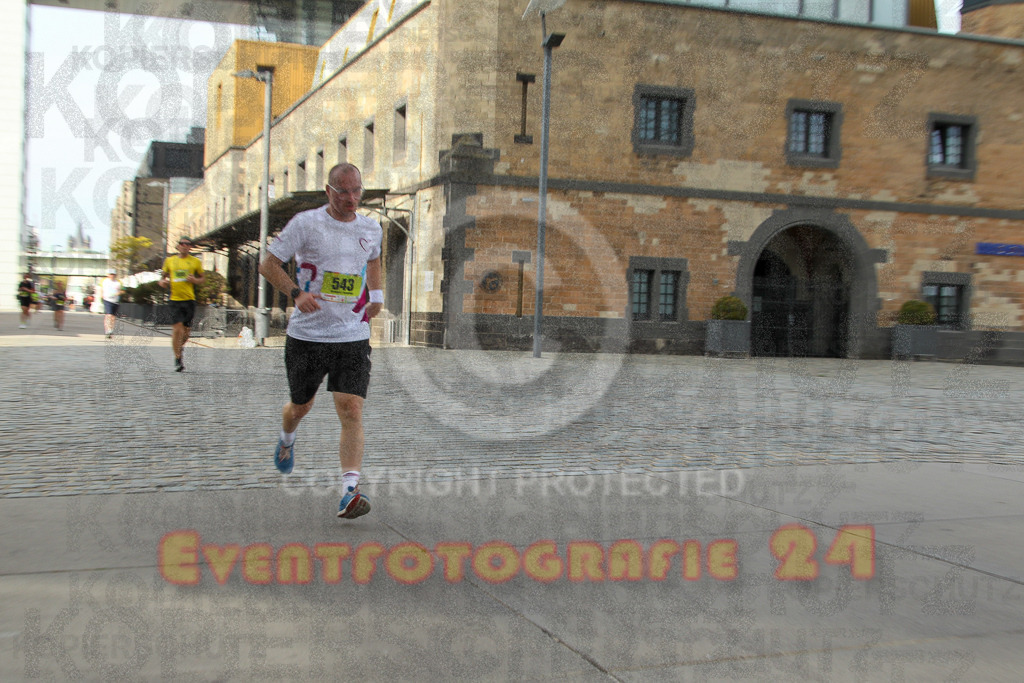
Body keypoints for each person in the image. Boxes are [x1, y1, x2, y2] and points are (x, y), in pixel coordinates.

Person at [258, 163, 383, 519]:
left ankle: (349, 491)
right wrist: (296, 293)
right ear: (328, 191)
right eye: (342, 191)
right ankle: (287, 438)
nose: (350, 198)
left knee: (351, 407)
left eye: (356, 190)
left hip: (352, 333)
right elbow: (269, 265)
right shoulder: (305, 223)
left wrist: (376, 295)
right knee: (300, 407)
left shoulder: (370, 228)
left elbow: (373, 261)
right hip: (307, 336)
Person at [159, 237, 205, 371]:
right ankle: (178, 358)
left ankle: (179, 348)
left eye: (188, 244)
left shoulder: (195, 261)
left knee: (186, 333)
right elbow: (162, 278)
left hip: (189, 300)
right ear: (178, 246)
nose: (184, 246)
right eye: (182, 244)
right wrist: (163, 282)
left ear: (190, 247)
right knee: (177, 329)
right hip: (175, 299)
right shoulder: (170, 261)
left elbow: (202, 279)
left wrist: (194, 280)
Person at [101, 269, 122, 338]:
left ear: (115, 275)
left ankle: (111, 330)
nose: (111, 275)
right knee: (108, 315)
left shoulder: (118, 283)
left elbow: (122, 291)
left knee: (113, 317)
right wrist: (101, 296)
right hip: (107, 300)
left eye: (113, 274)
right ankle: (107, 330)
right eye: (110, 274)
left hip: (115, 301)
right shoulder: (105, 281)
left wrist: (118, 293)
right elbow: (101, 289)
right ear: (108, 275)